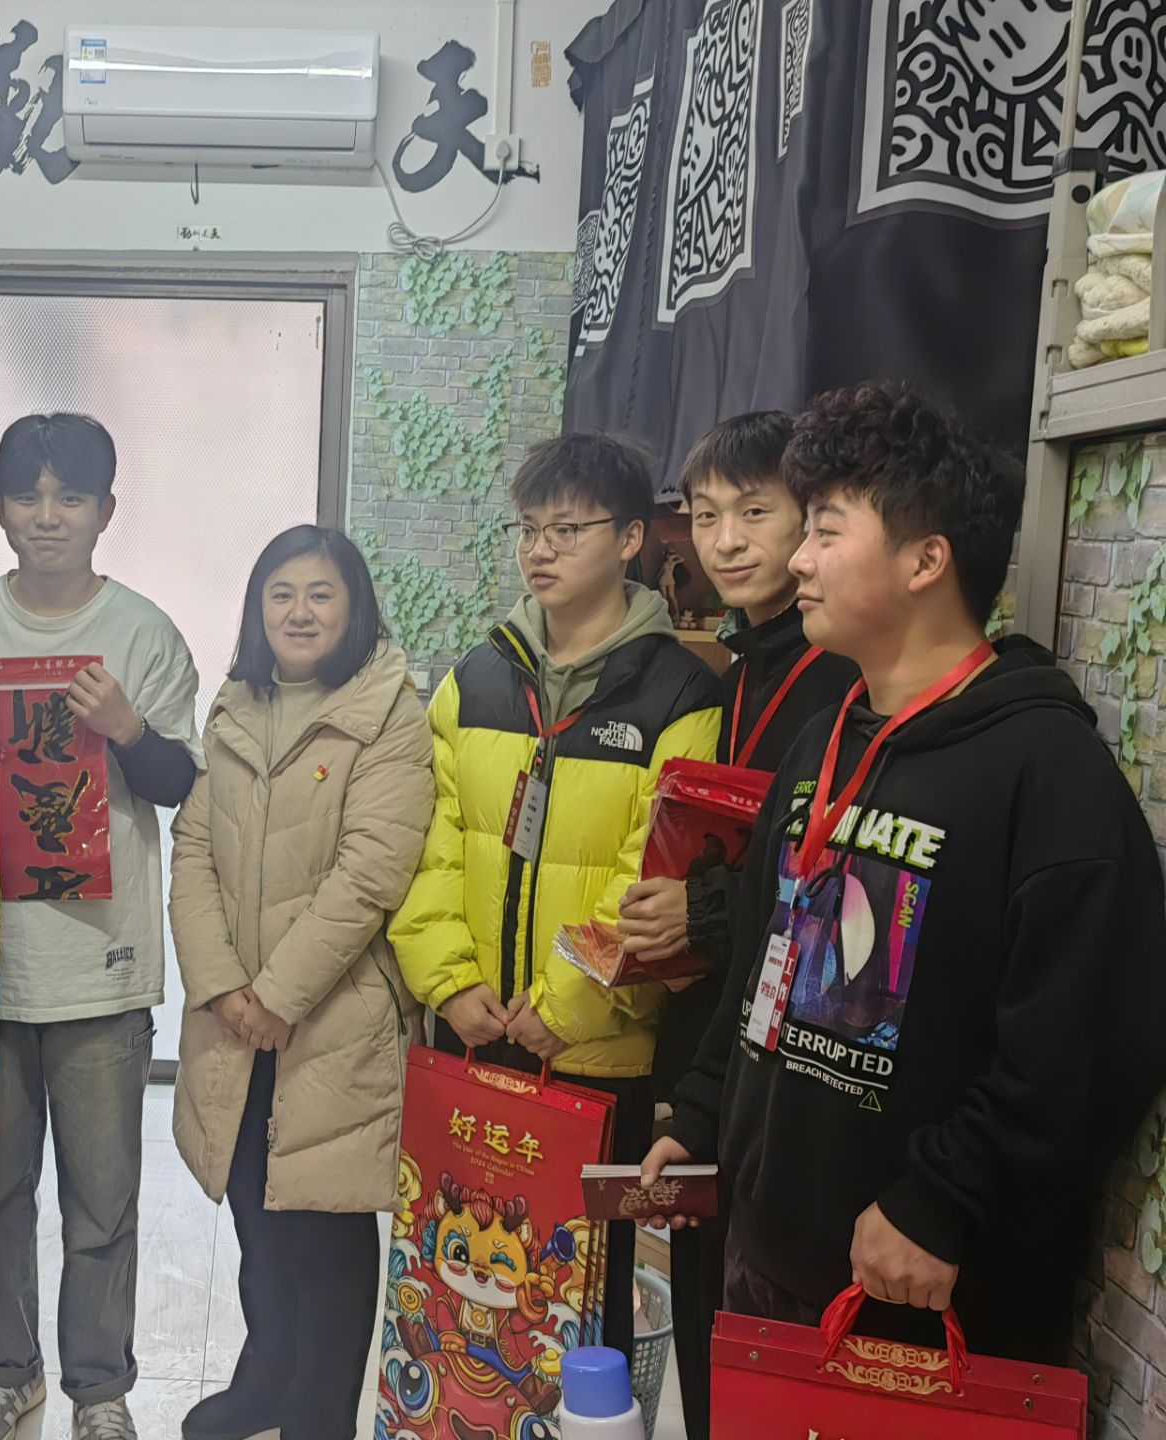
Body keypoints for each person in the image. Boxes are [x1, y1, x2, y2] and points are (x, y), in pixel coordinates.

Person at [644, 382, 1166, 1365]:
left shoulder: (1045, 769)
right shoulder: (825, 740)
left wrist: (943, 1197)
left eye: (826, 530)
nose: (799, 558)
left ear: (927, 560)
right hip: (770, 1248)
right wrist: (706, 1108)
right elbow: (766, 953)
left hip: (915, 1286)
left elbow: (1089, 1043)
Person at [390, 432, 720, 1362]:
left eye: (567, 530)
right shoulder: (475, 679)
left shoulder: (681, 694)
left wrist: (564, 1003)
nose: (540, 550)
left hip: (597, 1052)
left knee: (579, 1295)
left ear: (630, 540)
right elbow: (431, 845)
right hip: (474, 1030)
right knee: (459, 1271)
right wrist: (450, 982)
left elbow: (652, 872)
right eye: (529, 529)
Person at [0, 414, 202, 1440]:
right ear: (0, 508)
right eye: (27, 495)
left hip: (102, 963)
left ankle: (100, 1390)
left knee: (101, 1203)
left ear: (105, 510)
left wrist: (127, 728)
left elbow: (182, 784)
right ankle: (6, 1373)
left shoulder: (143, 631)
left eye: (70, 496)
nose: (47, 515)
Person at [612, 413, 858, 1440]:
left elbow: (827, 878)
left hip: (784, 1053)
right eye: (707, 516)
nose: (725, 541)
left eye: (755, 513)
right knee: (708, 1305)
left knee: (757, 1333)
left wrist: (704, 908)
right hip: (716, 1026)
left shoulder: (839, 675)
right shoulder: (740, 665)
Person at [169, 527, 433, 1440]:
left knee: (324, 1230)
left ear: (354, 607)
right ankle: (268, 1379)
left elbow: (372, 870)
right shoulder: (236, 703)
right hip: (236, 1020)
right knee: (254, 1211)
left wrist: (278, 996)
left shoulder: (389, 709)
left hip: (332, 1019)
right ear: (257, 609)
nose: (300, 612)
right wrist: (221, 986)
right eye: (281, 594)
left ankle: (320, 1417)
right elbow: (193, 849)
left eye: (322, 594)